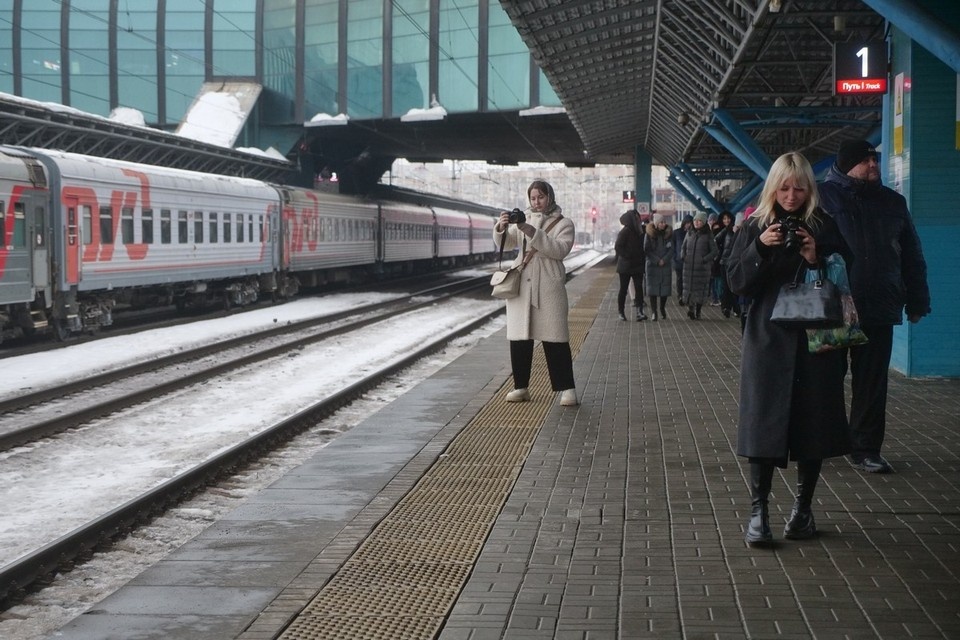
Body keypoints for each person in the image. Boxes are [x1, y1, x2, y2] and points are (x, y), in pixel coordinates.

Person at [727, 151, 853, 545]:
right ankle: (758, 514)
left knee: (813, 424)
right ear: (773, 187)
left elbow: (847, 273)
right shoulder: (755, 226)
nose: (792, 195)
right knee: (763, 423)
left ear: (809, 189)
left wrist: (816, 256)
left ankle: (802, 512)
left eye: (799, 187)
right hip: (768, 340)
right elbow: (736, 284)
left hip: (816, 340)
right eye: (784, 187)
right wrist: (760, 248)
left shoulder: (823, 224)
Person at [819, 140, 931, 474]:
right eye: (866, 160)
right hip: (834, 305)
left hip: (880, 303)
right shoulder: (824, 198)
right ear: (847, 164)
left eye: (875, 159)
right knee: (827, 378)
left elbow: (912, 254)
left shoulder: (893, 202)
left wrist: (918, 300)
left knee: (871, 383)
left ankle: (866, 449)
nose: (874, 166)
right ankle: (824, 441)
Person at [493, 179, 579, 407]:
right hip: (522, 286)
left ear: (549, 197)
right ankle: (521, 387)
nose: (536, 202)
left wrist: (530, 230)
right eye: (533, 198)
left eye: (541, 197)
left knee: (556, 340)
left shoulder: (564, 223)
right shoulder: (524, 219)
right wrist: (501, 228)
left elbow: (559, 250)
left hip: (548, 285)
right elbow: (508, 240)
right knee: (520, 339)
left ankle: (567, 389)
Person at [680, 212, 718, 320]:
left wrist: (704, 260)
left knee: (700, 290)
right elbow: (683, 247)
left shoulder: (708, 235)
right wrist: (683, 256)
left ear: (704, 222)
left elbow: (715, 251)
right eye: (695, 220)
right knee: (689, 288)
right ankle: (691, 309)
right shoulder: (689, 233)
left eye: (699, 221)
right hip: (689, 267)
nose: (697, 222)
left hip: (702, 269)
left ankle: (698, 311)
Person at [614, 209, 648, 321]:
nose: (639, 220)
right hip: (625, 266)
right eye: (637, 218)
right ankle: (621, 311)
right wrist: (627, 255)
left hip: (637, 265)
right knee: (623, 289)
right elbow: (618, 247)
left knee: (639, 289)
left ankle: (640, 311)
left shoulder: (640, 231)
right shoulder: (625, 231)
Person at [643, 213, 673, 320]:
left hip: (665, 265)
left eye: (664, 222)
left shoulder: (669, 234)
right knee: (653, 290)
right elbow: (647, 250)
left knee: (665, 289)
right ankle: (654, 311)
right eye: (661, 222)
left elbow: (671, 250)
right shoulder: (649, 235)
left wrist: (664, 260)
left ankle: (662, 308)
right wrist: (657, 260)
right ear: (656, 223)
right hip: (652, 265)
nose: (663, 224)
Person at [714, 210, 739, 318]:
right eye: (724, 218)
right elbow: (714, 240)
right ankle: (726, 307)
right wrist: (719, 251)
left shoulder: (737, 229)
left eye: (728, 218)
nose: (726, 220)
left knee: (734, 286)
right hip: (724, 262)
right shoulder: (724, 231)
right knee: (725, 286)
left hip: (735, 262)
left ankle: (736, 309)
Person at [672, 214, 693, 304]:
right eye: (687, 222)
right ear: (684, 223)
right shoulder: (676, 233)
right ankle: (680, 296)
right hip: (679, 261)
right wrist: (674, 259)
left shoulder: (694, 234)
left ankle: (687, 296)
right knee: (680, 279)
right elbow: (673, 247)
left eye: (690, 223)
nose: (688, 225)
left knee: (688, 280)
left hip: (690, 262)